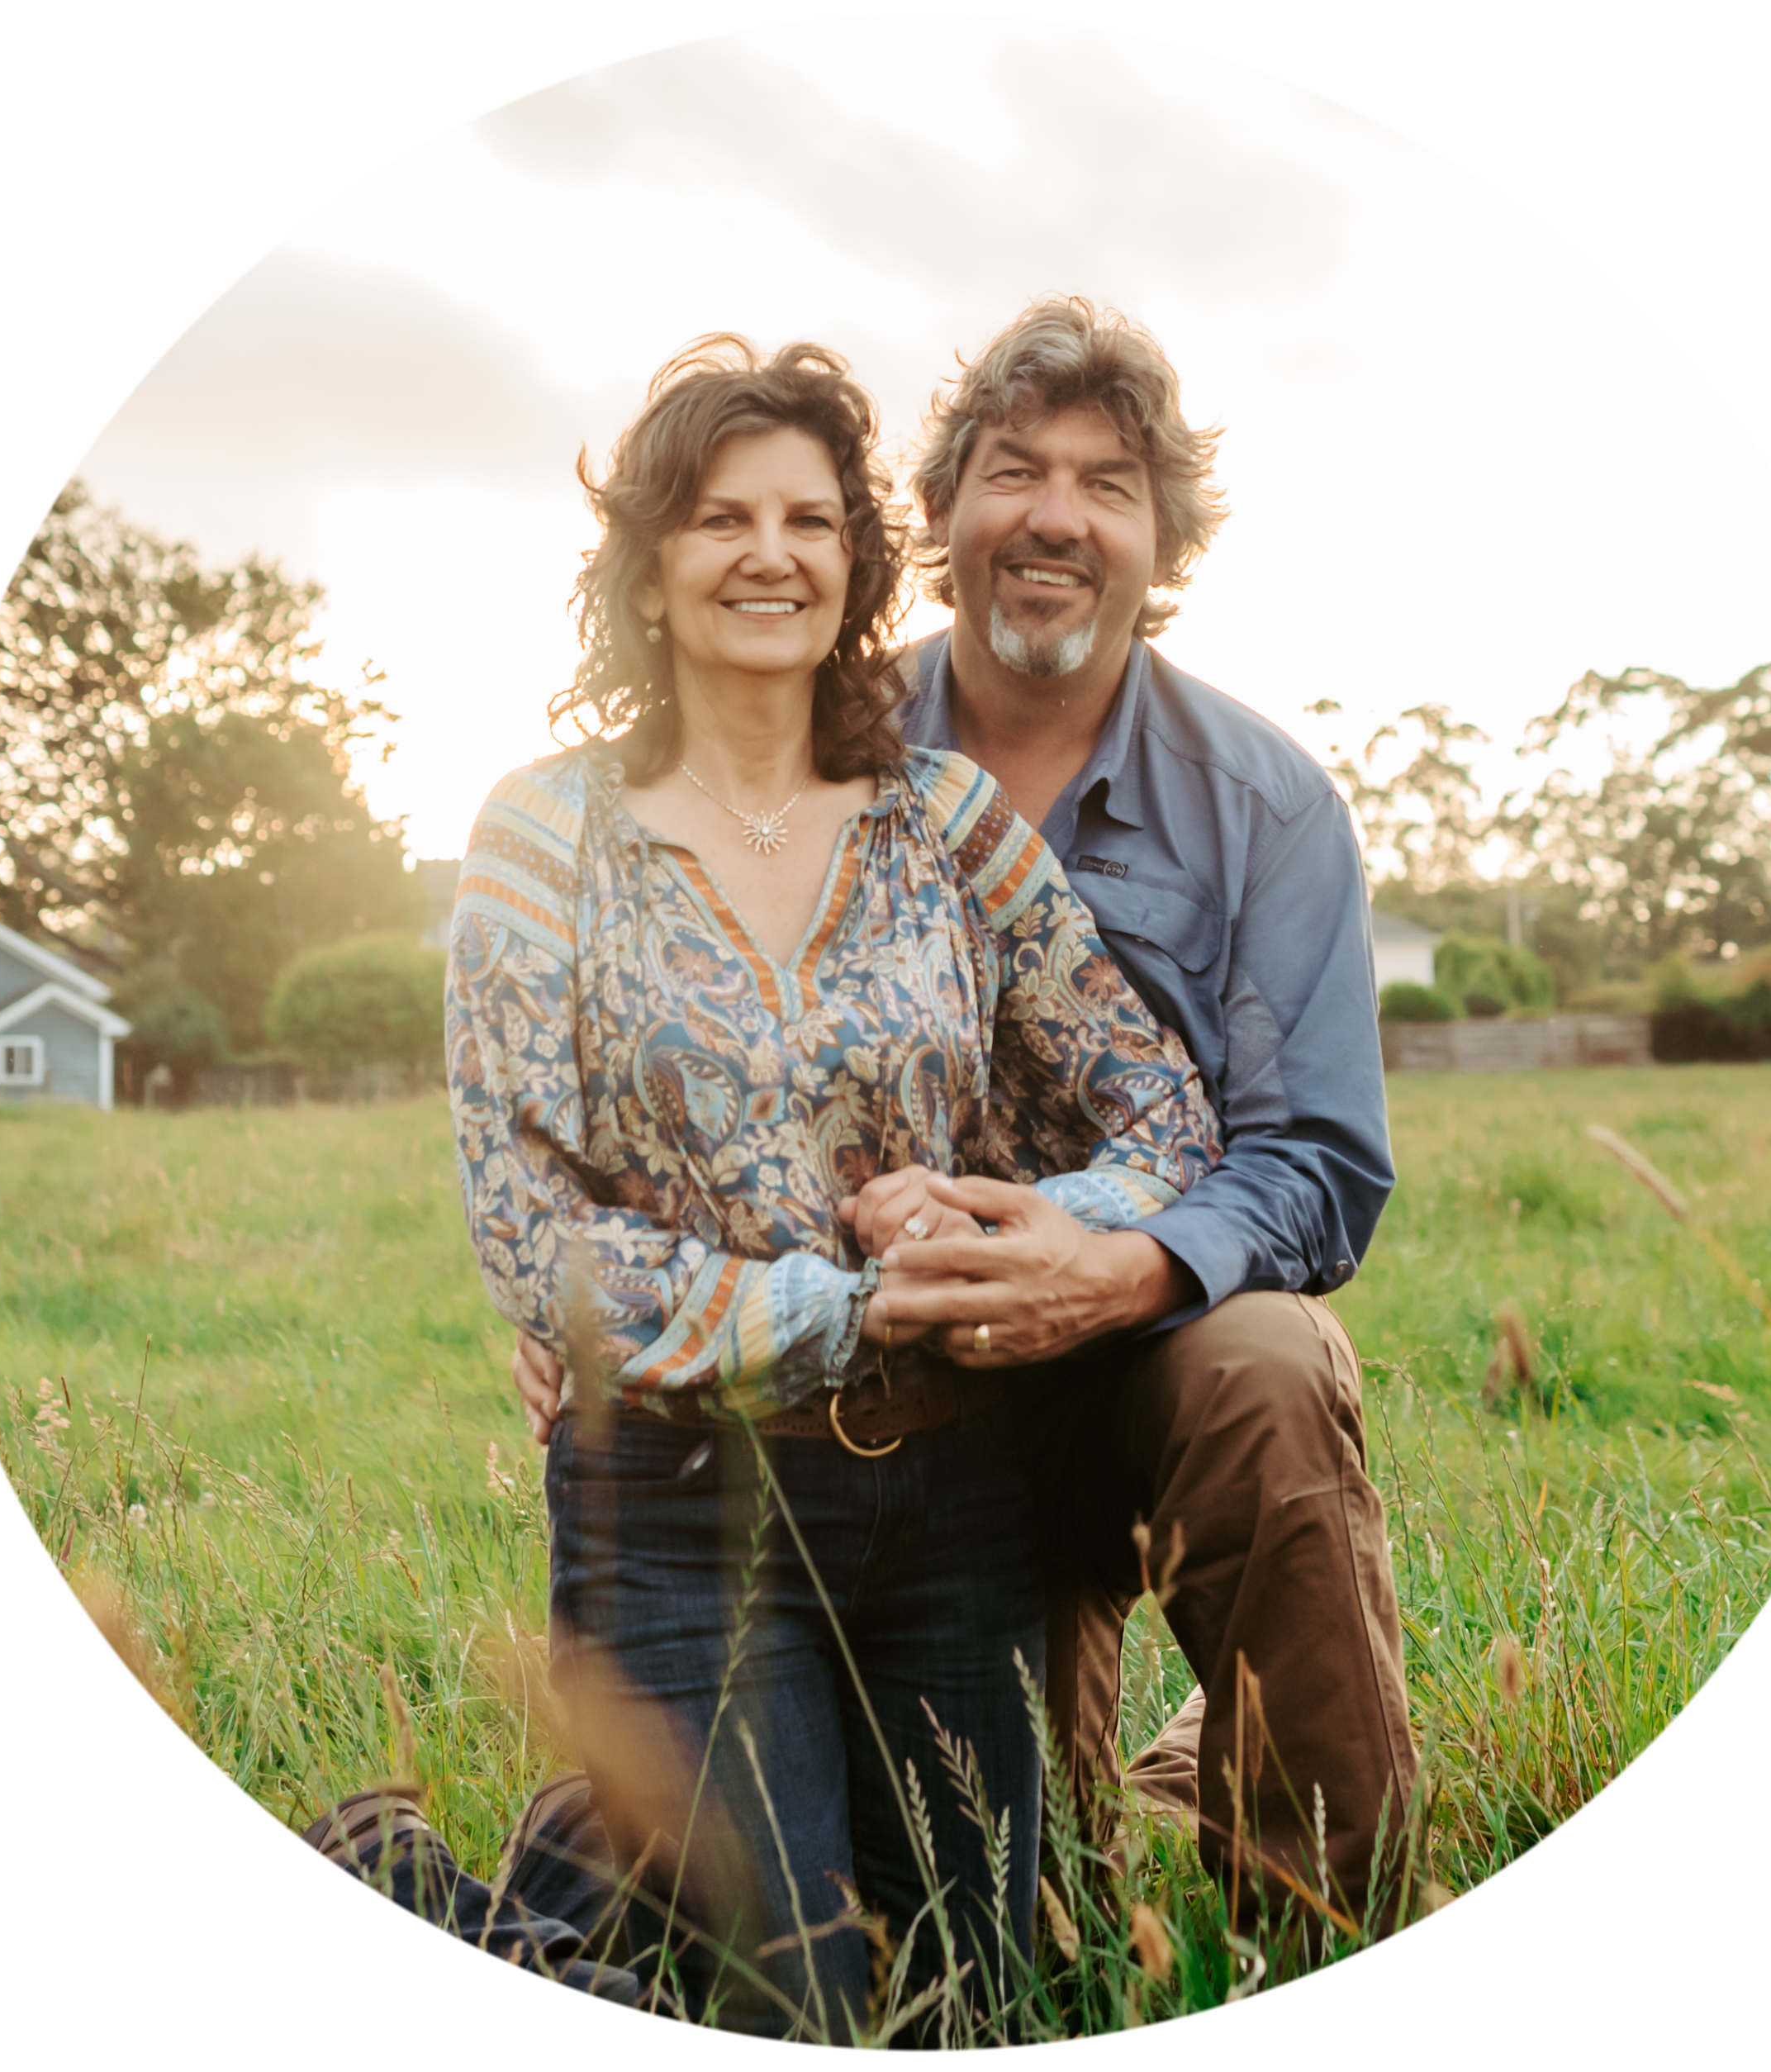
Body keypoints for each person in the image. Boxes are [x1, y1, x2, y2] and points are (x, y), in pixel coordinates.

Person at [512, 301, 1419, 1937]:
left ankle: (1320, 1909)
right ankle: (635, 1840)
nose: (1055, 513)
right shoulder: (802, 741)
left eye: (1107, 482)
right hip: (882, 1407)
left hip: (1147, 1359)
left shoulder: (1266, 806)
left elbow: (1317, 1166)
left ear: (1161, 541)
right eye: (1014, 471)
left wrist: (1110, 1264)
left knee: (1271, 1370)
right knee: (999, 1934)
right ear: (943, 519)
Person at [439, 335, 1218, 2037]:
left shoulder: (944, 821)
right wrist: (854, 1305)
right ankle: (470, 1890)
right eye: (721, 518)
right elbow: (523, 1221)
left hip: (956, 1495)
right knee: (802, 2000)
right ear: (647, 566)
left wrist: (1022, 1228)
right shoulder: (539, 836)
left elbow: (1161, 1109)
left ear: (860, 566)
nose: (768, 554)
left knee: (973, 2005)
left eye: (808, 519)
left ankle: (529, 1894)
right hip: (682, 1510)